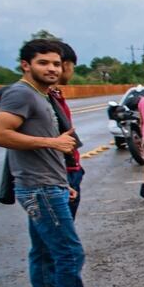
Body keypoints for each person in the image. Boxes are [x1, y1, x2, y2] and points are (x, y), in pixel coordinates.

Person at [0, 39, 116, 287]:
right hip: (40, 187)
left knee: (44, 254)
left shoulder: (40, 95)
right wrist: (53, 145)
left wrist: (62, 181)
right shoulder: (21, 93)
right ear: (25, 65)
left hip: (48, 185)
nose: (52, 69)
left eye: (56, 64)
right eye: (44, 63)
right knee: (69, 254)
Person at [49, 41, 85, 218]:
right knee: (64, 242)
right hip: (58, 176)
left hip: (66, 173)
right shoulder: (38, 97)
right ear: (65, 65)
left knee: (49, 241)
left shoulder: (54, 95)